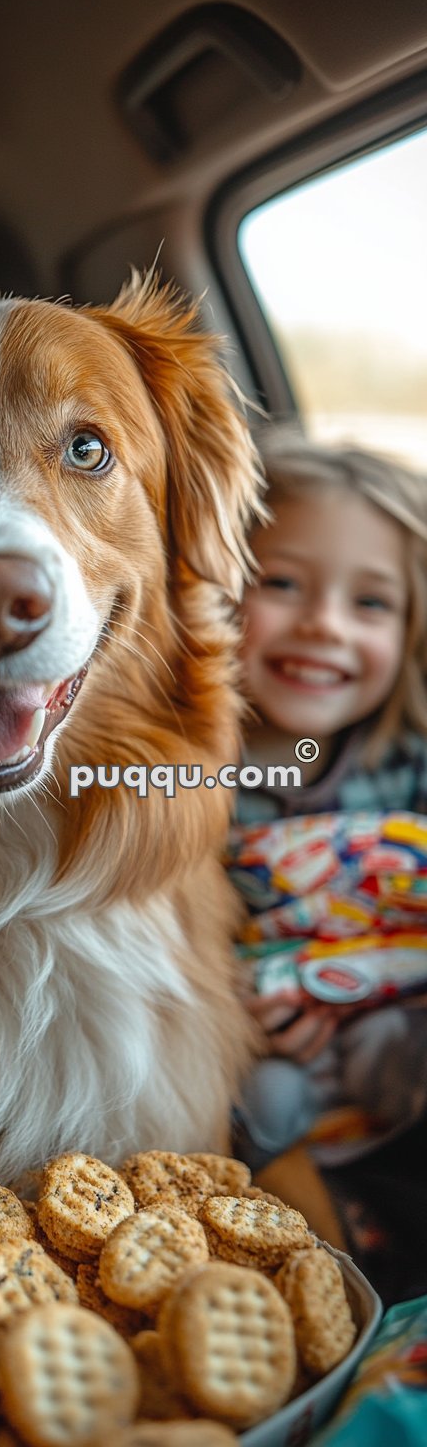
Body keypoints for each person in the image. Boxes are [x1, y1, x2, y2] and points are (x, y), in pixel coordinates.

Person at [229, 432, 427, 1178]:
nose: (326, 625)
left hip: (398, 1026)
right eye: (282, 584)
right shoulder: (172, 779)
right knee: (265, 1097)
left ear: (411, 632)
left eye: (370, 602)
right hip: (264, 1050)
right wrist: (235, 1002)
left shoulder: (407, 760)